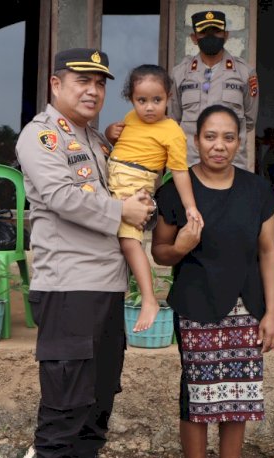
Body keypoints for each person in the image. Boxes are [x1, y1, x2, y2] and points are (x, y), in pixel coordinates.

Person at [15, 48, 154, 458]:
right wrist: (121, 210)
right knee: (66, 393)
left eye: (100, 83)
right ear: (56, 85)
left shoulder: (95, 140)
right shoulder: (42, 137)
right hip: (68, 284)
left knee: (100, 392)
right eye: (82, 81)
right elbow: (61, 197)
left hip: (107, 283)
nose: (93, 91)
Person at [152, 104, 274, 458]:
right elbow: (159, 251)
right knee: (198, 397)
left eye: (228, 138)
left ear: (239, 143)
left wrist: (272, 312)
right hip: (196, 305)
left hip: (246, 306)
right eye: (210, 137)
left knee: (237, 398)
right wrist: (181, 246)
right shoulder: (177, 189)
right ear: (196, 141)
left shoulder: (256, 189)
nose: (218, 146)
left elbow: (268, 252)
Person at [103, 64, 203, 332]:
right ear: (131, 99)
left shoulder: (172, 131)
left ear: (169, 97)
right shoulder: (130, 118)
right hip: (109, 181)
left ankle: (149, 299)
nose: (149, 107)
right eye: (141, 101)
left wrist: (190, 206)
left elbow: (179, 172)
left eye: (156, 100)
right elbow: (123, 146)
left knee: (129, 240)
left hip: (135, 187)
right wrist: (108, 134)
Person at [169, 10, 259, 171]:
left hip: (231, 163)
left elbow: (250, 120)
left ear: (226, 35)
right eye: (204, 32)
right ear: (194, 38)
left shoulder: (245, 72)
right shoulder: (180, 73)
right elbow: (173, 120)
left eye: (216, 31)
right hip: (188, 163)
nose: (210, 37)